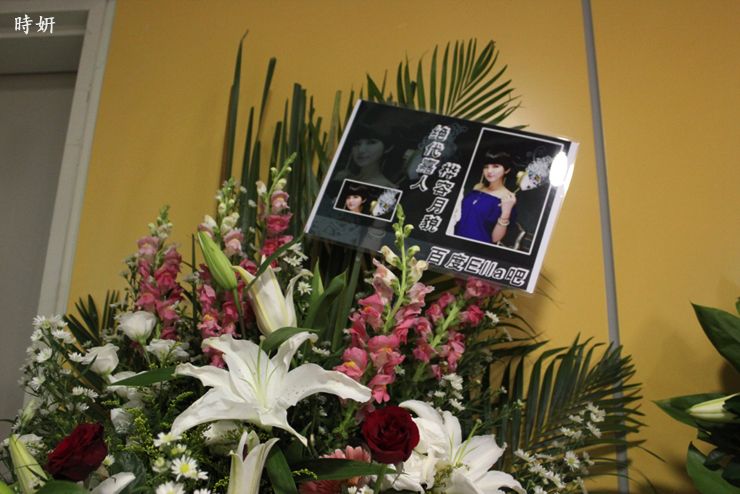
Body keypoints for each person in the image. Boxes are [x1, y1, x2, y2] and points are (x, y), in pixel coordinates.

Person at [453, 150, 517, 244]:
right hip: (454, 237)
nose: (489, 171)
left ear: (507, 170)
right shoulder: (478, 186)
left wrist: (506, 212)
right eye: (486, 167)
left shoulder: (508, 198)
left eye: (495, 166)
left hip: (475, 245)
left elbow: (495, 239)